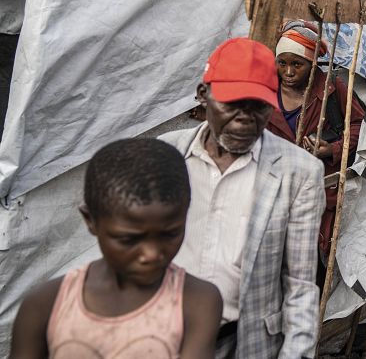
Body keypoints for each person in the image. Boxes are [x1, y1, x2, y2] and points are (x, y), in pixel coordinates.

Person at [160, 37, 325, 359]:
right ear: (203, 94)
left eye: (258, 107)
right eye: (232, 104)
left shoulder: (299, 172)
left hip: (244, 341)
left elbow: (301, 284)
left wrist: (297, 353)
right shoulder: (164, 155)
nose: (244, 119)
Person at [10, 139, 222, 359]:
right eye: (129, 239)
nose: (151, 254)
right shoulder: (46, 303)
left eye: (170, 234)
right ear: (90, 220)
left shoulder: (196, 301)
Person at [266, 22, 366, 282]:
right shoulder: (264, 91)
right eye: (282, 63)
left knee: (310, 263)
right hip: (273, 191)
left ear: (312, 64)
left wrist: (331, 148)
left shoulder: (332, 89)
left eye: (297, 64)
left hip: (318, 194)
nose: (288, 72)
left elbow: (360, 126)